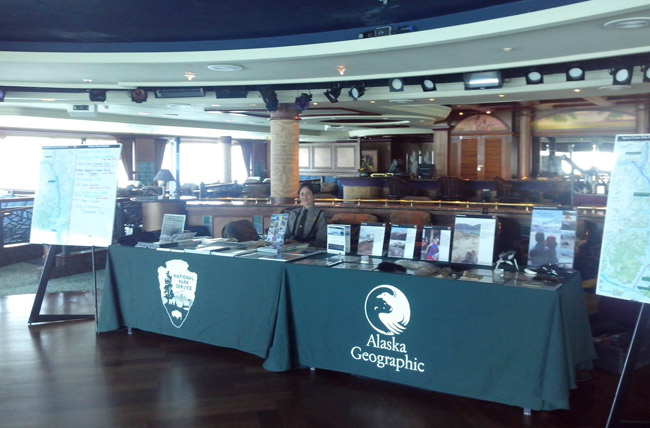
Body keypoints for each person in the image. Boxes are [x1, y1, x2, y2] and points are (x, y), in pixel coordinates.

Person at [284, 182, 328, 247]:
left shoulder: (321, 215)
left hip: (310, 251)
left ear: (314, 196)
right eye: (302, 194)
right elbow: (285, 234)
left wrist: (299, 244)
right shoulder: (292, 213)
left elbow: (321, 241)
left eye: (308, 193)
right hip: (289, 250)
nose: (305, 197)